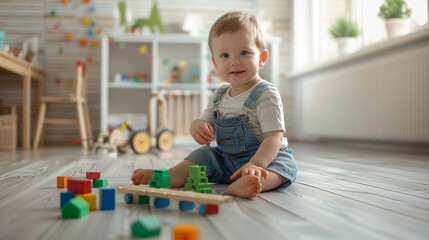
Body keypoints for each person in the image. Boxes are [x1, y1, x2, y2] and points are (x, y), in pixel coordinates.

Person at [131, 11, 297, 199]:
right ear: (215, 63)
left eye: (244, 52)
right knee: (202, 155)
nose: (234, 61)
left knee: (284, 167)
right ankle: (167, 176)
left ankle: (248, 183)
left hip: (265, 158)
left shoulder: (265, 93)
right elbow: (203, 120)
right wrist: (197, 127)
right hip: (226, 160)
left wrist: (256, 165)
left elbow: (273, 139)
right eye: (225, 55)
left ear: (262, 57)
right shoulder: (219, 95)